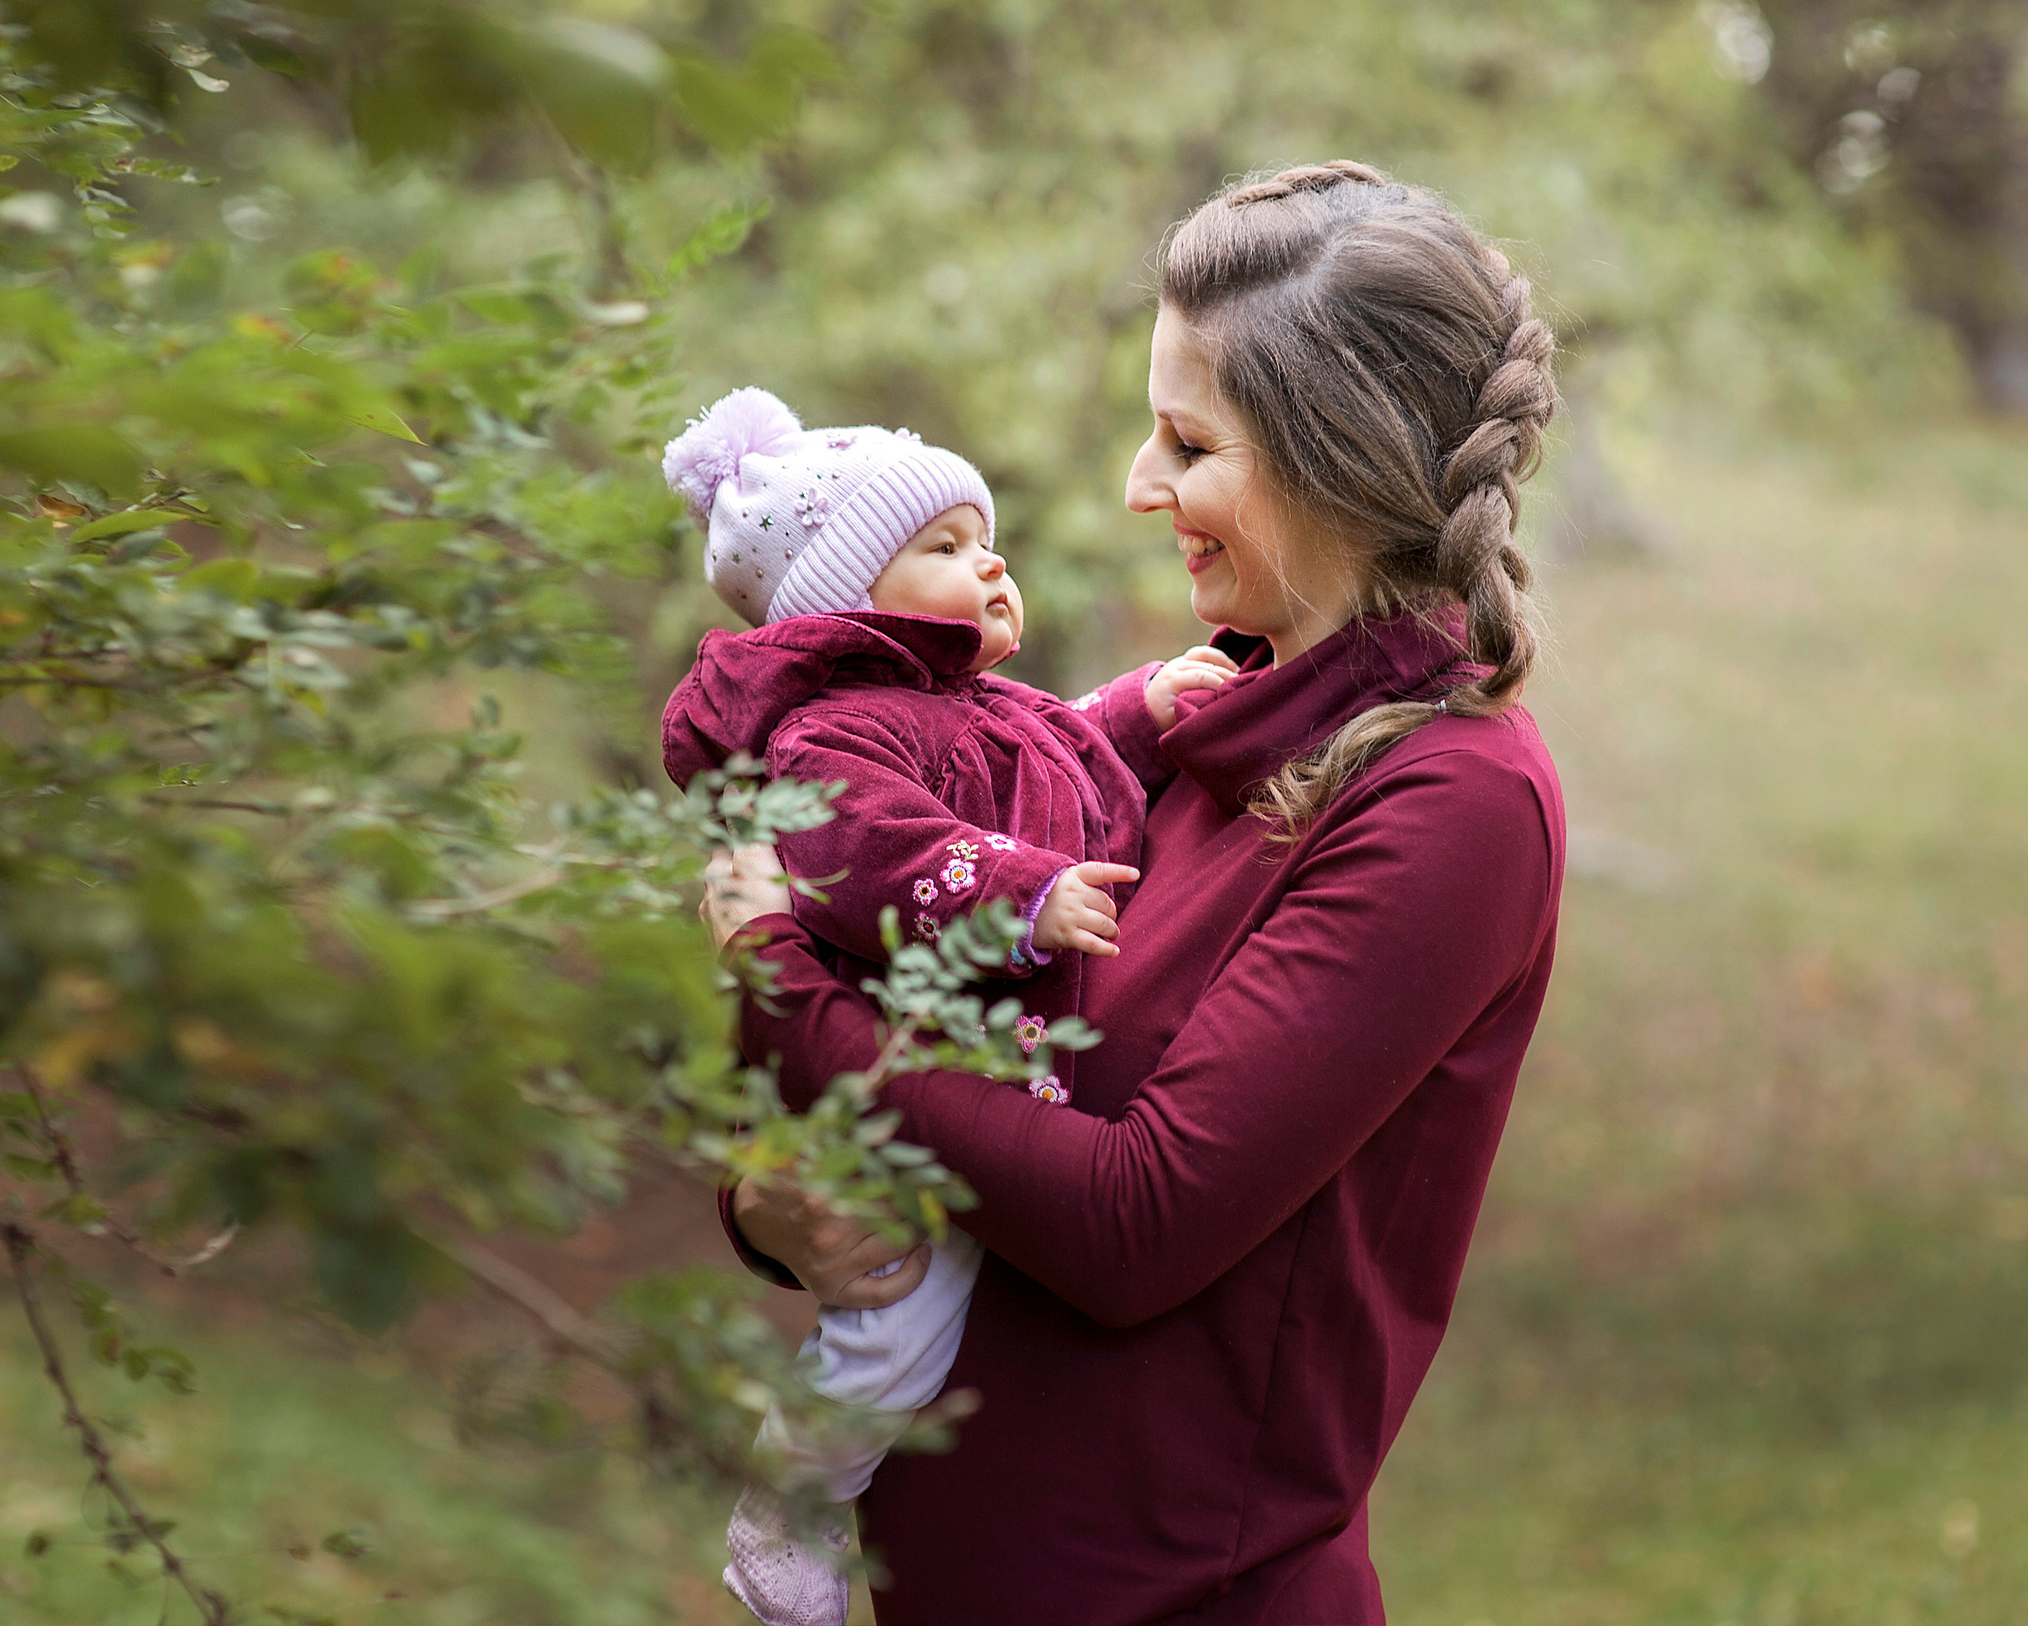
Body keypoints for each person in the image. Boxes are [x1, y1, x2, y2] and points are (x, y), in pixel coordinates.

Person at [701, 160, 1570, 1625]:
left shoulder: (1455, 804)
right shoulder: (1181, 721)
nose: (1136, 485)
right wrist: (774, 1205)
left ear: (1331, 458)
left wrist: (786, 1002)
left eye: (1187, 439)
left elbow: (1133, 1220)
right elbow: (953, 1045)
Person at [659, 387, 1237, 1626]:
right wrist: (1020, 898)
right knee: (900, 1314)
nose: (989, 564)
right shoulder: (833, 734)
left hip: (969, 1082)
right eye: (945, 547)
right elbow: (873, 850)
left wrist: (1143, 707)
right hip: (904, 1087)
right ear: (848, 596)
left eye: (987, 542)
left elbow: (1064, 746)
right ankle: (788, 1508)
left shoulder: (973, 707)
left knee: (925, 1307)